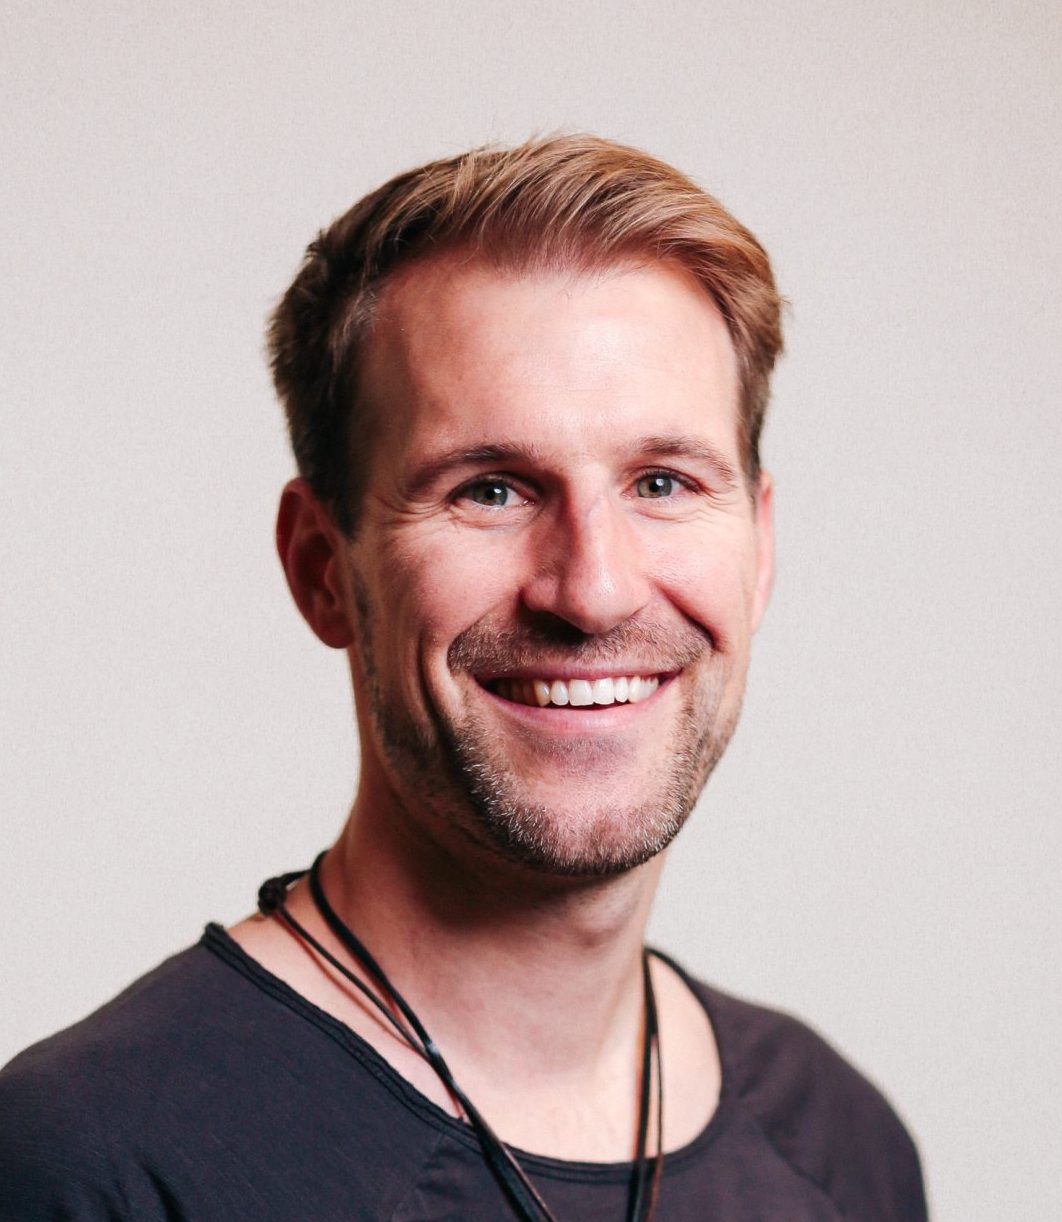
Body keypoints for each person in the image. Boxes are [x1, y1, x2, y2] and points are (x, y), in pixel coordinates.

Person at [0, 135, 927, 1220]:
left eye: (663, 482)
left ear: (760, 550)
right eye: (489, 490)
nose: (594, 590)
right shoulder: (93, 1163)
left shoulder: (841, 1147)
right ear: (322, 569)